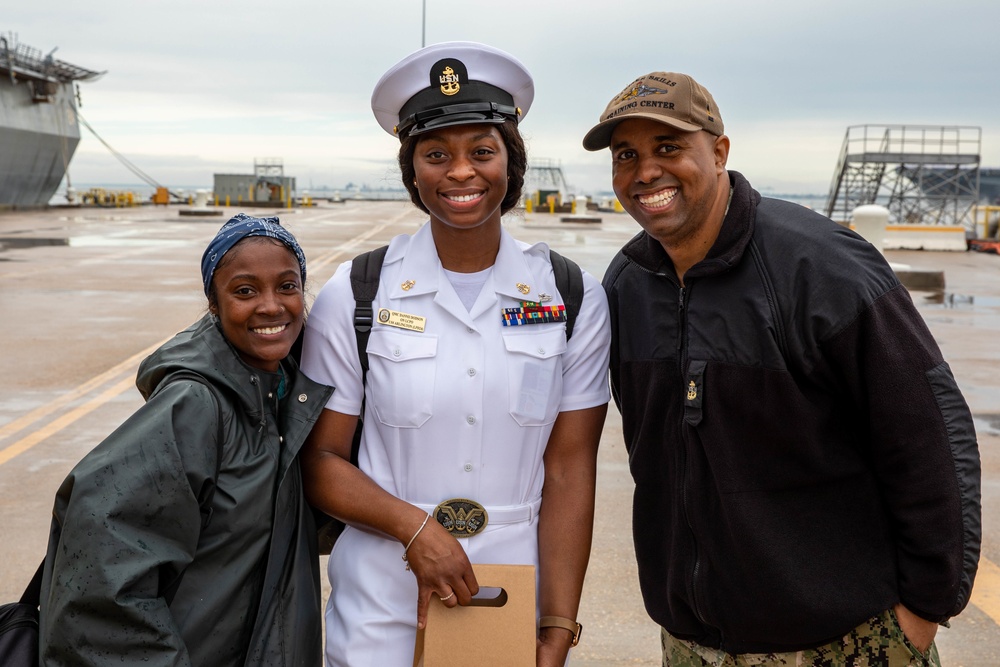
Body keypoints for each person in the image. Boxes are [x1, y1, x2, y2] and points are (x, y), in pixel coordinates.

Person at [584, 72, 982, 665]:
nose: (645, 172)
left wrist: (924, 611)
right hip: (692, 643)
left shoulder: (820, 268)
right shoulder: (627, 285)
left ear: (719, 151)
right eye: (627, 155)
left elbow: (930, 435)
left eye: (668, 147)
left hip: (842, 642)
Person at [300, 42, 611, 667]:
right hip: (380, 599)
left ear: (509, 163)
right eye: (436, 154)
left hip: (506, 597)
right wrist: (416, 530)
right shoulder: (357, 293)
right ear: (412, 171)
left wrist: (556, 626)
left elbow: (570, 472)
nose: (461, 172)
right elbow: (322, 459)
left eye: (482, 152)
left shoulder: (572, 295)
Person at [39, 213, 332, 666]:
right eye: (245, 291)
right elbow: (100, 571)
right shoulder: (195, 405)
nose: (272, 306)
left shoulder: (285, 395)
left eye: (288, 286)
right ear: (213, 304)